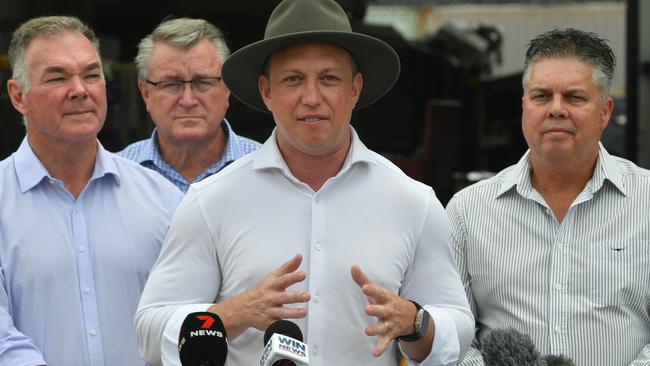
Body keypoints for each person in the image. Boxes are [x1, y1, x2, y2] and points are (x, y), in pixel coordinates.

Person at [135, 0, 474, 365]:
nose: (312, 98)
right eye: (293, 79)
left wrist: (415, 321)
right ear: (267, 92)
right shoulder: (211, 200)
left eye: (329, 78)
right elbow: (151, 334)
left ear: (355, 89)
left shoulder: (413, 201)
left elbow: (458, 327)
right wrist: (234, 313)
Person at [447, 28, 650, 366]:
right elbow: (450, 333)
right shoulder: (468, 212)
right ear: (525, 106)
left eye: (574, 97)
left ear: (605, 111)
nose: (556, 109)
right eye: (542, 96)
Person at [1, 16, 183, 365]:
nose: (80, 90)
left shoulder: (163, 200)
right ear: (18, 96)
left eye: (91, 74)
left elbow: (189, 318)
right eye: (58, 77)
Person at [119, 17, 260, 192]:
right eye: (171, 84)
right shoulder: (116, 177)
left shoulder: (268, 172)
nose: (188, 101)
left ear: (227, 88)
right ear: (146, 93)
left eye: (203, 82)